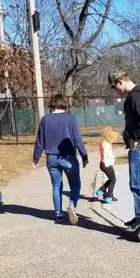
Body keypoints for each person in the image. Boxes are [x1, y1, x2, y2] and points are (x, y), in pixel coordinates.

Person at [108, 69, 140, 230]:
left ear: (120, 81)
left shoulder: (136, 96)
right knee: (137, 183)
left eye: (114, 87)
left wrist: (135, 138)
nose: (115, 91)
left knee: (137, 184)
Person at [32, 94, 88, 224]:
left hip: (51, 158)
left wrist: (36, 157)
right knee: (75, 184)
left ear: (52, 105)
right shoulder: (71, 118)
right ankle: (72, 204)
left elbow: (40, 141)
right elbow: (77, 140)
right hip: (68, 157)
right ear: (64, 104)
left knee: (56, 186)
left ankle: (58, 214)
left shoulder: (45, 119)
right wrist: (84, 156)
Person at [95, 126, 118, 204]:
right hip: (106, 165)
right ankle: (109, 196)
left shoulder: (104, 143)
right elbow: (105, 155)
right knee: (113, 180)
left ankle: (101, 191)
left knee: (111, 179)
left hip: (104, 164)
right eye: (113, 138)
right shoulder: (106, 145)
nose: (114, 140)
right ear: (109, 137)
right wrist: (107, 164)